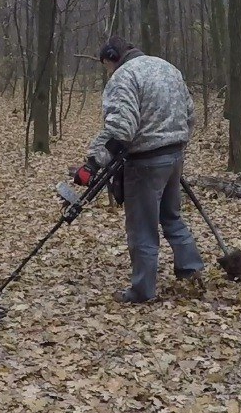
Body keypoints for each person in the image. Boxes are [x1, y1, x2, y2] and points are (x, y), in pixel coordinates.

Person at [73, 35, 205, 303]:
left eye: (105, 65)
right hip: (174, 154)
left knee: (142, 228)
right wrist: (175, 146)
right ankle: (192, 272)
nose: (107, 71)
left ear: (111, 57)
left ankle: (142, 291)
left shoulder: (123, 77)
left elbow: (121, 129)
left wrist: (93, 162)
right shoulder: (167, 68)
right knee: (172, 217)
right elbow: (190, 114)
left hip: (145, 161)